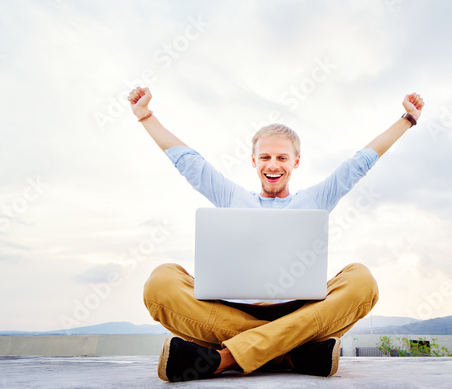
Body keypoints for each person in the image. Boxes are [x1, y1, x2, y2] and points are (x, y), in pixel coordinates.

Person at [128, 86, 424, 382]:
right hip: (235, 312)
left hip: (298, 311)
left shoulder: (314, 200)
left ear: (295, 162)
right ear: (254, 161)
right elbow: (188, 161)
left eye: (282, 158)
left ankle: (225, 358)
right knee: (160, 282)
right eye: (265, 157)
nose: (273, 165)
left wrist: (407, 119)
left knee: (362, 281)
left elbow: (360, 162)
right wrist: (146, 117)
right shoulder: (231, 197)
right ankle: (292, 352)